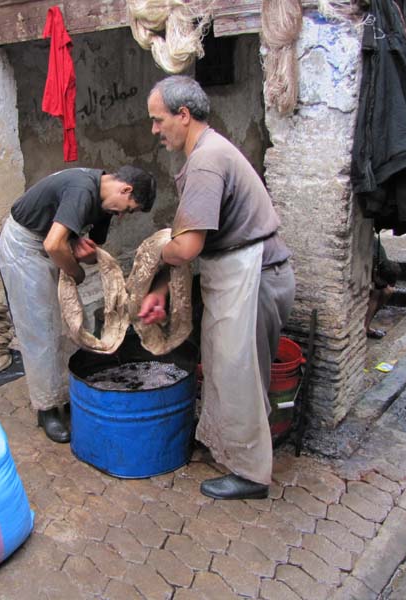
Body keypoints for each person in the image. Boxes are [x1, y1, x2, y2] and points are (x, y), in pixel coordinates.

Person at [140, 75, 296, 500]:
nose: (155, 130)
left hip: (254, 276)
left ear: (183, 115)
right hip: (244, 272)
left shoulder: (207, 162)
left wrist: (153, 249)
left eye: (158, 121)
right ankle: (238, 450)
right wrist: (160, 288)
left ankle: (251, 475)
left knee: (238, 374)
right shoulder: (210, 150)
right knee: (233, 370)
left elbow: (187, 245)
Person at [0, 166, 157, 443]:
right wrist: (76, 273)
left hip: (50, 240)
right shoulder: (83, 190)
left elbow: (87, 248)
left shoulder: (106, 204)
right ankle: (46, 408)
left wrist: (89, 256)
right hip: (24, 244)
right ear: (125, 189)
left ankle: (67, 390)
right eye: (127, 209)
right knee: (40, 328)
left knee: (72, 320)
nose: (122, 215)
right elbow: (54, 244)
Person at [365, 237, 401, 339]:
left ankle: (367, 324)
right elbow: (374, 296)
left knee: (387, 292)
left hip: (376, 271)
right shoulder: (371, 259)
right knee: (376, 294)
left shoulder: (383, 261)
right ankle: (365, 327)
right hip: (368, 264)